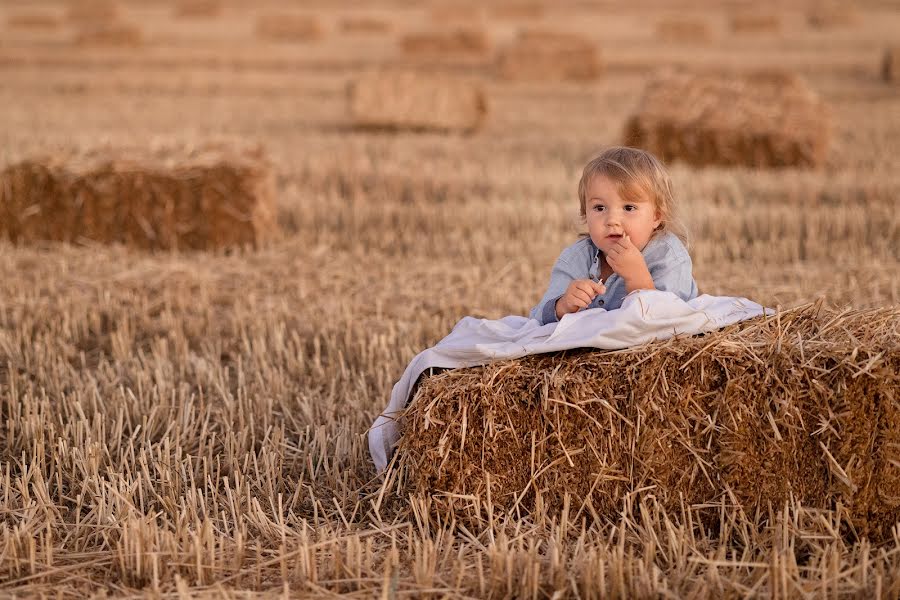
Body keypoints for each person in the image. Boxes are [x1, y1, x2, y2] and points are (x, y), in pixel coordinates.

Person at [530, 146, 698, 325]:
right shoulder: (577, 258)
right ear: (585, 214)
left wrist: (638, 280)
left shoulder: (668, 256)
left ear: (656, 216)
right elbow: (537, 320)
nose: (612, 220)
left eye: (629, 208)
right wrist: (563, 306)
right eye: (599, 208)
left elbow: (674, 323)